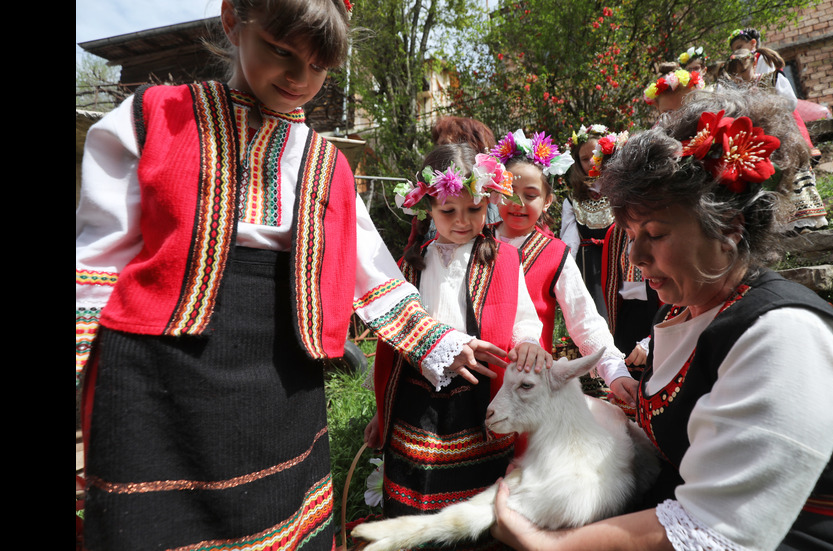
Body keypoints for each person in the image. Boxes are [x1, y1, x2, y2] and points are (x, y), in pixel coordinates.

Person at [75, 1, 512, 548]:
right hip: (155, 379)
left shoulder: (326, 161)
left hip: (280, 378)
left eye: (319, 65)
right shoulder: (151, 119)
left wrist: (435, 340)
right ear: (234, 20)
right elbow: (96, 263)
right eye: (281, 52)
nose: (299, 78)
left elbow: (368, 269)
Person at [491, 88, 833, 550]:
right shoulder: (686, 311)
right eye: (629, 235)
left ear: (728, 228)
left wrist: (545, 544)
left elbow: (715, 528)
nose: (636, 255)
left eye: (656, 233)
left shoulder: (786, 337)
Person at [370, 144, 551, 543]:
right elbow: (397, 334)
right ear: (427, 210)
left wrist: (528, 343)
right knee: (415, 480)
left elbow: (522, 317)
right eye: (448, 211)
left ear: (488, 202)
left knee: (474, 491)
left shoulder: (502, 258)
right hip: (417, 395)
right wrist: (380, 412)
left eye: (473, 209)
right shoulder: (415, 262)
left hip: (478, 393)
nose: (462, 221)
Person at [488, 129, 638, 406]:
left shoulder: (554, 254)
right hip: (477, 376)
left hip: (528, 383)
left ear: (547, 201)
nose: (518, 204)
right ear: (497, 194)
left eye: (531, 195)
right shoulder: (479, 243)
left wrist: (615, 373)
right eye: (510, 193)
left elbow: (585, 321)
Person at [725, 51, 829, 232]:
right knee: (774, 177)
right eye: (736, 75)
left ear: (753, 65)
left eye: (743, 71)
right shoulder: (736, 90)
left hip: (783, 135)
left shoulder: (772, 78)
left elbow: (790, 103)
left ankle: (807, 219)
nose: (740, 77)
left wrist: (765, 103)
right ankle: (784, 224)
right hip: (761, 141)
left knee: (794, 173)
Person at [559, 124, 615, 322]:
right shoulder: (573, 200)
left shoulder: (620, 193)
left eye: (596, 154)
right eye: (585, 158)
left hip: (619, 263)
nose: (592, 161)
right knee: (596, 317)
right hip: (589, 269)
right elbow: (570, 243)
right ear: (578, 164)